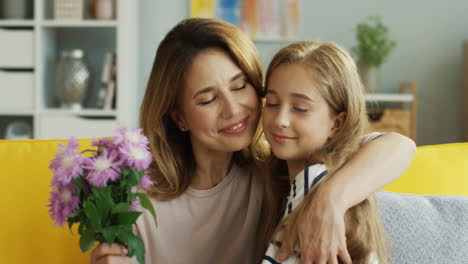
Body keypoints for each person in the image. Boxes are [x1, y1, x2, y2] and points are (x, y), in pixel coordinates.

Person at [90, 18, 415, 264]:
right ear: (179, 117)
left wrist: (330, 199)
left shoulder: (279, 170)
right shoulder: (133, 195)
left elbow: (398, 145)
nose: (233, 110)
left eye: (239, 86)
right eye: (207, 100)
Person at [262, 41, 391, 264]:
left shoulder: (313, 183)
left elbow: (399, 144)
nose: (280, 120)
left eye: (300, 108)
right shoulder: (291, 183)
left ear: (337, 123)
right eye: (272, 103)